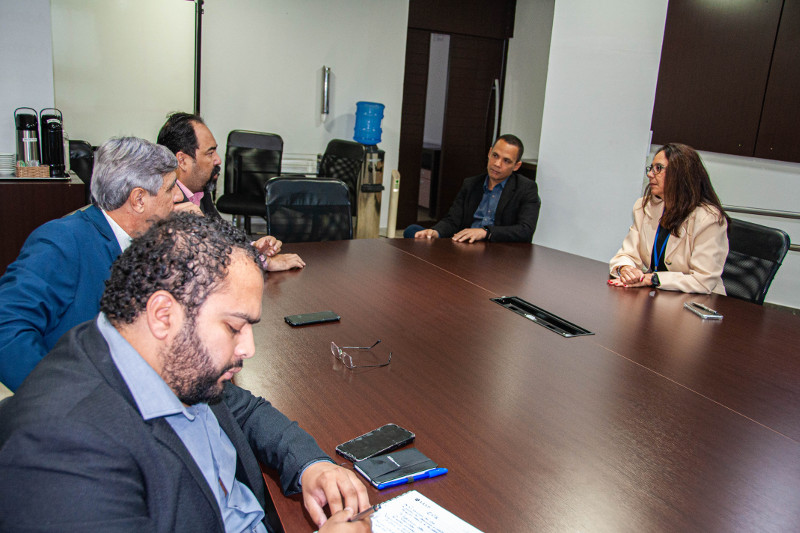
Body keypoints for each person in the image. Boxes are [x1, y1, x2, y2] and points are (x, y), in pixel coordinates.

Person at [0, 213, 371, 533]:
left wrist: (312, 466)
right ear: (163, 315)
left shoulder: (167, 362)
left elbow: (246, 410)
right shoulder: (60, 451)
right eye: (233, 327)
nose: (248, 349)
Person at [0, 137, 182, 391]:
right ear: (139, 199)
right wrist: (62, 398)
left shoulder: (145, 243)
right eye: (171, 188)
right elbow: (6, 327)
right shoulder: (63, 241)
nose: (179, 195)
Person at [157, 111, 305, 271]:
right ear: (182, 160)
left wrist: (255, 248)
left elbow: (222, 239)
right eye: (210, 152)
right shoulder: (167, 203)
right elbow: (204, 262)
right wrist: (263, 262)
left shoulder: (199, 192)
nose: (218, 160)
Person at [608, 143, 729, 294]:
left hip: (700, 302)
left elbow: (703, 281)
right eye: (651, 168)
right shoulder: (644, 207)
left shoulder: (708, 219)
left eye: (658, 168)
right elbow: (626, 255)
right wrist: (626, 268)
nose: (650, 174)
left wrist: (652, 279)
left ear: (680, 174)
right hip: (660, 297)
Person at [404, 134, 541, 243]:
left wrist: (486, 232)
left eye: (506, 161)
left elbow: (525, 230)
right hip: (466, 246)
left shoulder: (526, 189)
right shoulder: (471, 184)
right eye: (495, 156)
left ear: (516, 166)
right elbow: (453, 221)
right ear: (489, 153)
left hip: (498, 250)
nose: (497, 164)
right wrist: (435, 232)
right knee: (414, 231)